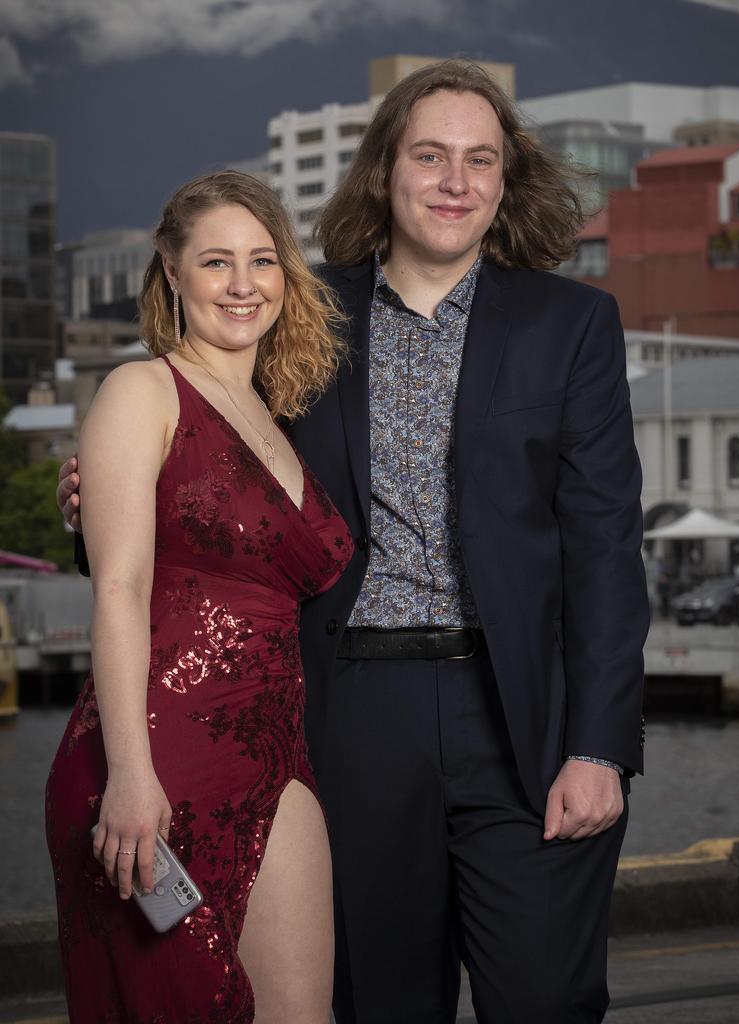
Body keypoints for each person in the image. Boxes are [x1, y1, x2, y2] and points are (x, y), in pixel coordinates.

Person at [59, 61, 650, 1023]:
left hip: (527, 724)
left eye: (480, 160)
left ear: (506, 183)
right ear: (384, 170)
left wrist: (600, 744)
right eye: (429, 155)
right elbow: (205, 473)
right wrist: (93, 494)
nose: (455, 180)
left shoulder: (572, 324)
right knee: (377, 1002)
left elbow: (605, 547)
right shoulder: (301, 313)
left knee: (549, 997)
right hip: (347, 716)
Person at [47, 170, 352, 1024]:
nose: (244, 283)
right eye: (217, 261)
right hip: (151, 758)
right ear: (172, 274)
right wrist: (130, 776)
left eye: (263, 260)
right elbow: (119, 585)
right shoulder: (141, 391)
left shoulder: (276, 415)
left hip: (276, 752)